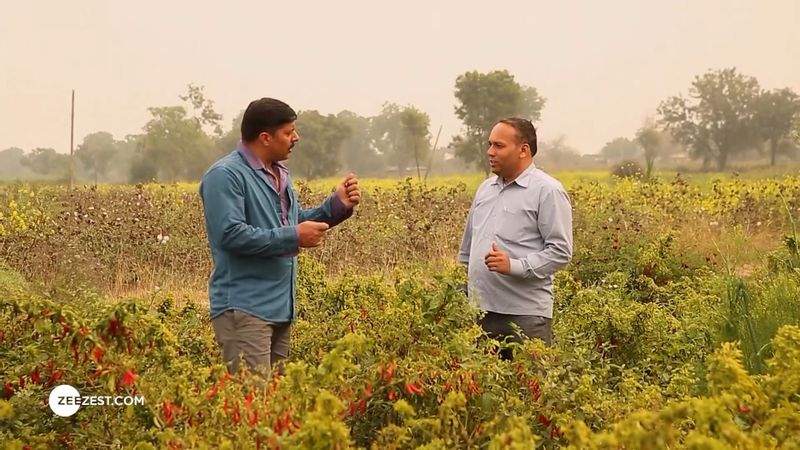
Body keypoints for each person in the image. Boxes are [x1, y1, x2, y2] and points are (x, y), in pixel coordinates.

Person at [199, 97, 361, 377]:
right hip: (244, 307)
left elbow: (289, 223)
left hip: (280, 306)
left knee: (277, 404)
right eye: (288, 132)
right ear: (265, 137)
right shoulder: (226, 176)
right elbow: (230, 234)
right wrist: (293, 237)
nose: (295, 138)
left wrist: (336, 207)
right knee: (253, 405)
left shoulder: (279, 173)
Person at [458, 117, 572, 359]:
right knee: (484, 391)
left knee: (527, 390)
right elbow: (467, 251)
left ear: (523, 150)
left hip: (525, 316)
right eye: (490, 144)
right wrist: (459, 293)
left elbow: (560, 251)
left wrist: (514, 266)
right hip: (480, 313)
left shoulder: (547, 191)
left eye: (499, 146)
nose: (490, 152)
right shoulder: (485, 189)